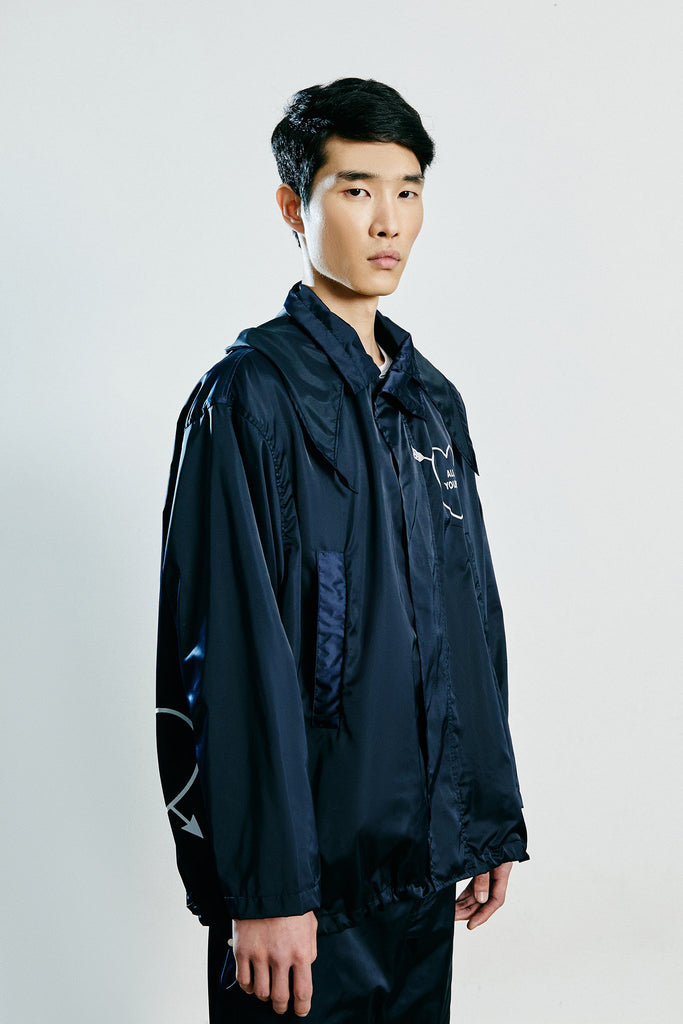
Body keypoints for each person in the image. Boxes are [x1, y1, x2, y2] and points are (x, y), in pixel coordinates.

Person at [156, 77, 528, 1023]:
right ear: (294, 205)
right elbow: (229, 655)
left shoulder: (430, 403)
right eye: (356, 190)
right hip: (305, 893)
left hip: (420, 877)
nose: (387, 220)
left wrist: (485, 816)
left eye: (407, 191)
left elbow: (468, 620)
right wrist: (266, 889)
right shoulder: (250, 398)